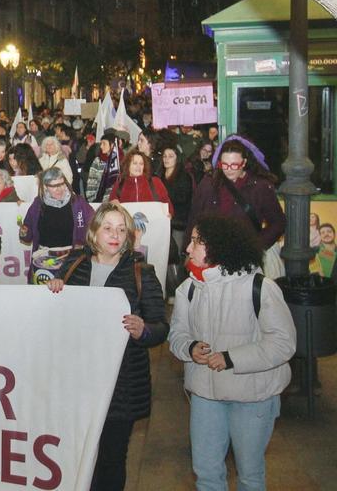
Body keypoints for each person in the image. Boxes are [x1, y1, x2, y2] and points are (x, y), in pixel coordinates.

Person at [47, 202, 168, 491]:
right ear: (94, 232)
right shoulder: (75, 263)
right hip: (77, 381)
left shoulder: (142, 272)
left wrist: (144, 330)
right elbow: (55, 318)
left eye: (122, 229)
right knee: (76, 456)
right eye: (108, 228)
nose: (115, 235)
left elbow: (160, 327)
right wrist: (53, 291)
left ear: (129, 236)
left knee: (111, 459)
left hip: (121, 384)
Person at [168, 215, 295, 491]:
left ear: (219, 246)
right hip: (205, 396)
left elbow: (283, 344)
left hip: (254, 397)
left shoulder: (260, 287)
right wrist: (190, 348)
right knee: (206, 474)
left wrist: (230, 358)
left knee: (249, 475)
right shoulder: (188, 289)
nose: (188, 249)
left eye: (196, 241)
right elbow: (177, 335)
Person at [185, 136, 286, 278]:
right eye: (224, 165)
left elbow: (278, 223)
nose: (228, 170)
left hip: (244, 261)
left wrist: (256, 246)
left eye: (234, 165)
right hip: (210, 259)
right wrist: (190, 247)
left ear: (244, 162)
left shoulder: (260, 187)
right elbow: (194, 218)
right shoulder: (209, 184)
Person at [20, 167, 95, 284]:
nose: (59, 189)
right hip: (43, 261)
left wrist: (83, 244)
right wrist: (23, 231)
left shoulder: (78, 202)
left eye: (61, 184)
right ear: (45, 186)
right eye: (54, 186)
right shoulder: (38, 204)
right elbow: (26, 236)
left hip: (72, 261)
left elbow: (95, 225)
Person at [108, 151, 174, 215]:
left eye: (141, 164)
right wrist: (113, 203)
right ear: (128, 165)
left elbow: (168, 205)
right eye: (135, 163)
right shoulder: (120, 184)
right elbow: (111, 204)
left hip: (152, 225)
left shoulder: (156, 182)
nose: (138, 166)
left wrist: (169, 214)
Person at [85, 132, 121, 203]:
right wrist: (92, 200)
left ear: (112, 145)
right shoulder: (98, 161)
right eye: (101, 143)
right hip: (98, 201)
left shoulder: (120, 161)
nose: (101, 146)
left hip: (115, 201)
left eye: (104, 144)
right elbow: (91, 182)